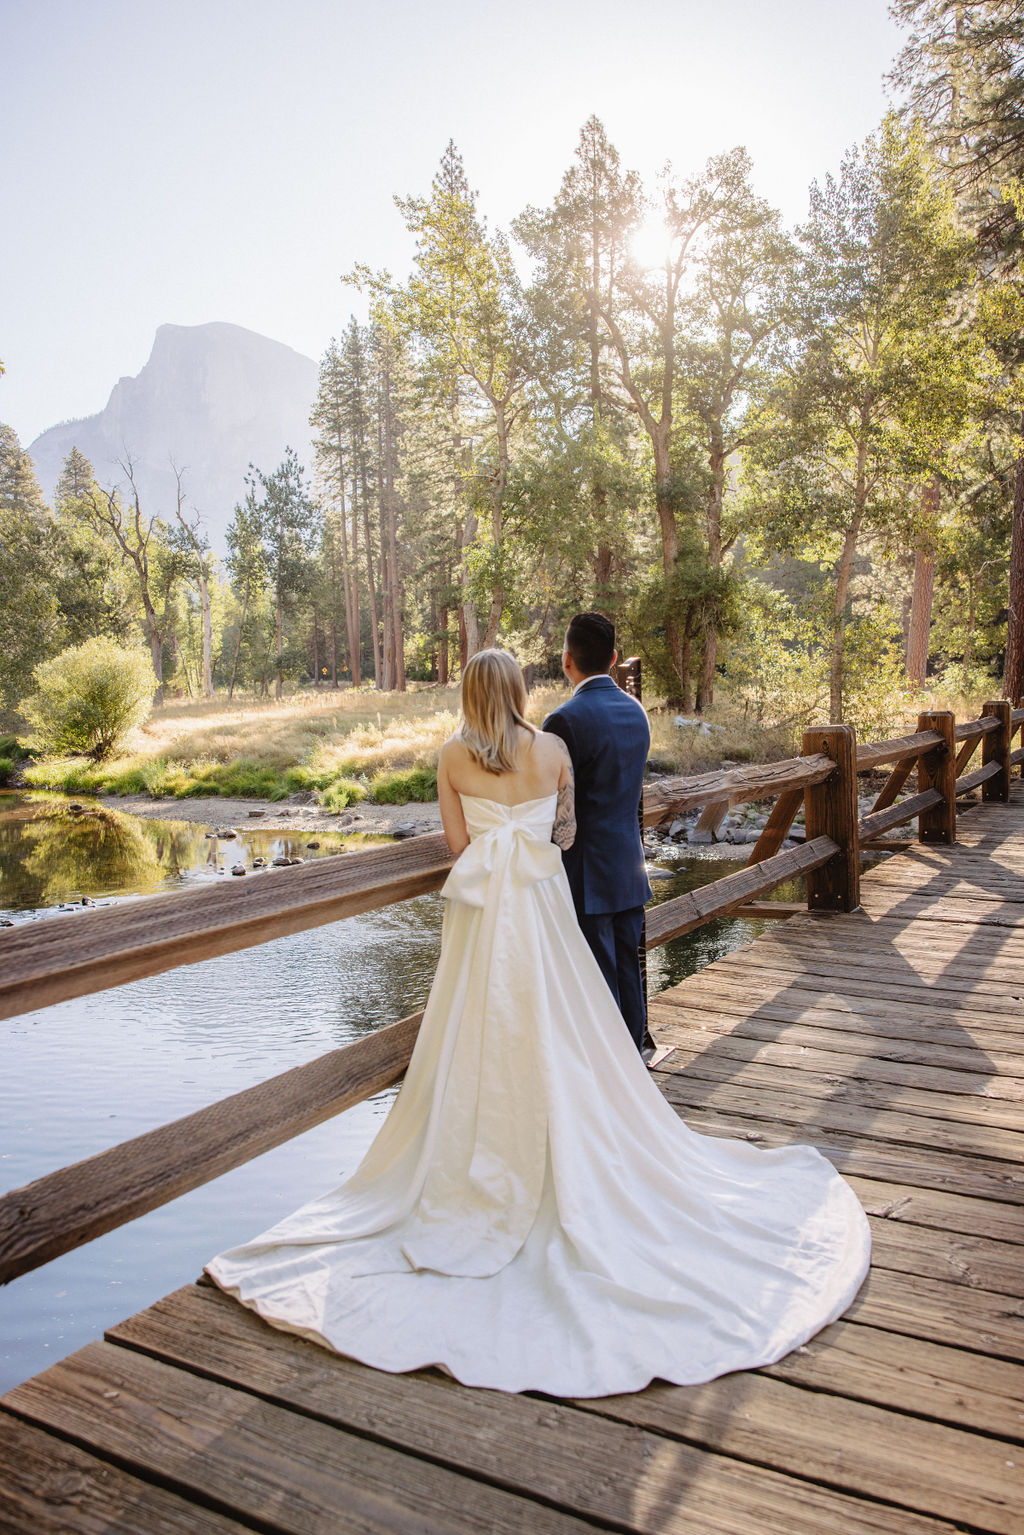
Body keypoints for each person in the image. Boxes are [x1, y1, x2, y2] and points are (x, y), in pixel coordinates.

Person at [206, 648, 870, 1399]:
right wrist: (524, 834)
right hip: (546, 909)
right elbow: (563, 834)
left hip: (485, 917)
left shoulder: (453, 754)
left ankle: (480, 1160)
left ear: (466, 693)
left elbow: (458, 848)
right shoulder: (553, 748)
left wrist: (496, 840)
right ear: (521, 690)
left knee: (477, 1027)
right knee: (565, 1021)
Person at [542, 612, 652, 1055]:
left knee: (595, 972)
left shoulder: (562, 722)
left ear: (566, 660)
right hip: (629, 862)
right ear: (613, 658)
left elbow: (553, 804)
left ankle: (610, 1069)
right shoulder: (637, 711)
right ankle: (637, 1054)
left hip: (584, 870)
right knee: (629, 966)